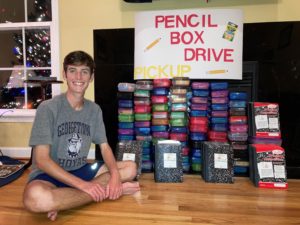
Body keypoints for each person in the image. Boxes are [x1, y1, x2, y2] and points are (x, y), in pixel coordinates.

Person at [23, 50, 140, 221]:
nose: (78, 76)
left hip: (80, 169)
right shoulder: (47, 108)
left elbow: (105, 146)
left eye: (84, 71)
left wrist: (114, 176)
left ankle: (64, 200)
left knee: (130, 167)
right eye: (72, 70)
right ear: (65, 74)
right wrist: (85, 186)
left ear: (91, 77)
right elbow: (41, 160)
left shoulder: (94, 110)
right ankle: (102, 193)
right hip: (50, 175)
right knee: (35, 199)